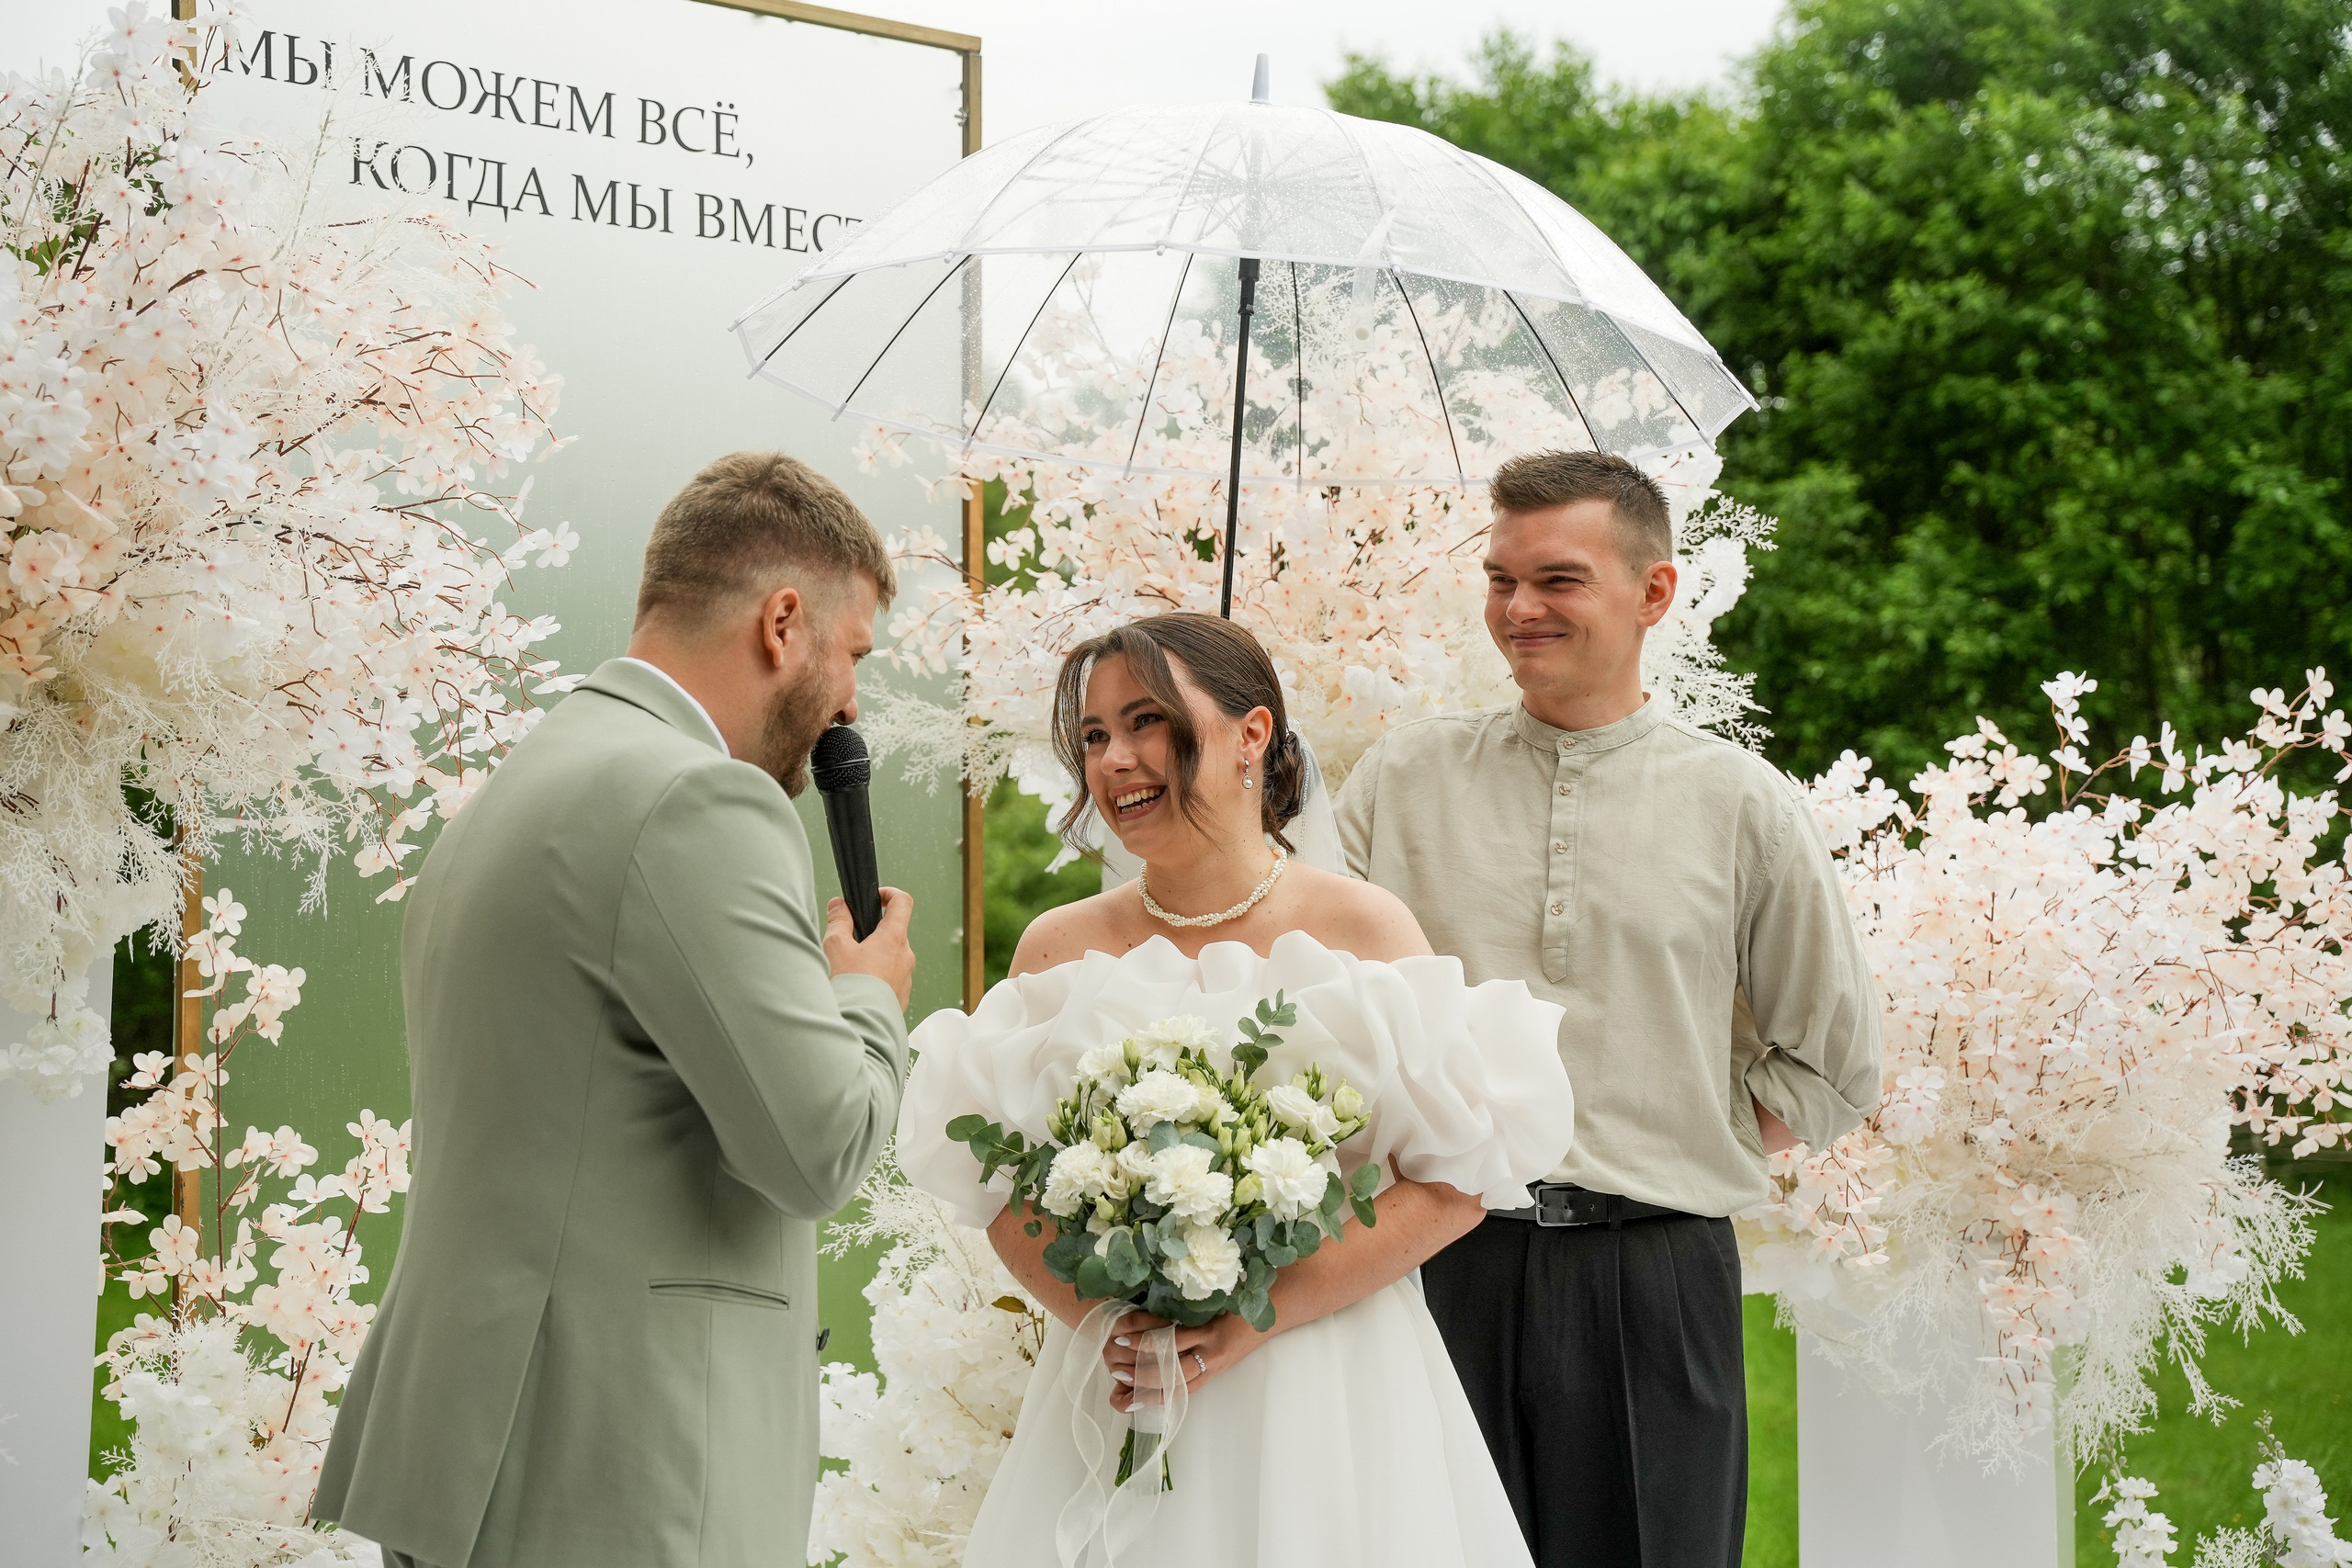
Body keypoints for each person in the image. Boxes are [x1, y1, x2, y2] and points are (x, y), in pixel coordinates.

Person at [312, 453, 919, 1568]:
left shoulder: (517, 789)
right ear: (784, 621)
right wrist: (867, 996)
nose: (848, 704)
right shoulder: (700, 800)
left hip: (477, 1460)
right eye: (854, 656)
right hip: (623, 1477)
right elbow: (817, 1148)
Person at [896, 613, 1577, 1568]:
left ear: (1252, 734)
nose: (1116, 760)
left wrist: (1253, 1320)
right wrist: (1112, 1319)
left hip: (1328, 1383)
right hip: (1121, 1381)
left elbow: (1456, 1181)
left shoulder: (1362, 931)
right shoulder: (1057, 947)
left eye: (1147, 722)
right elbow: (1001, 1184)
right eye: (1093, 736)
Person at [1332, 449, 1883, 1568]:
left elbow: (1833, 1066)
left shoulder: (1740, 804)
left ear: (1654, 593)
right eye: (1500, 579)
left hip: (1654, 1279)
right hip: (1435, 1264)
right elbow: (1324, 1016)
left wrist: (1681, 1133)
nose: (1518, 609)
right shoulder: (1398, 783)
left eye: (1557, 580)